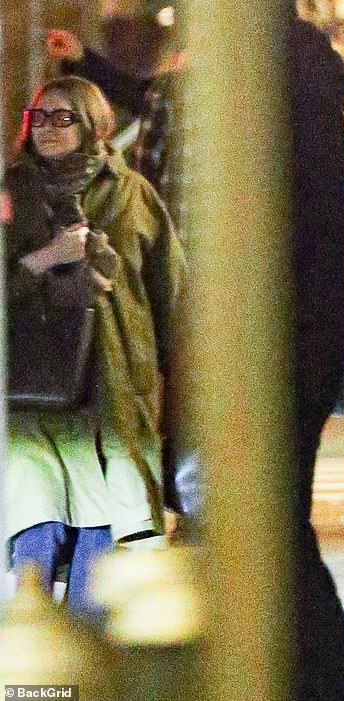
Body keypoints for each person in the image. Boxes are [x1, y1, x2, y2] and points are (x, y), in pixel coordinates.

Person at [3, 75, 185, 618]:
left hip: (114, 394)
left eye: (66, 117)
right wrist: (46, 258)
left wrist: (178, 392)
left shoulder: (132, 195)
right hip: (28, 400)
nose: (50, 127)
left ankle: (83, 679)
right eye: (41, 115)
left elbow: (172, 297)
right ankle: (35, 680)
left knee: (102, 554)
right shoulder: (10, 195)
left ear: (95, 126)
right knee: (35, 533)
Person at [289, 15, 344, 701]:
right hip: (308, 333)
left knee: (276, 524)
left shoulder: (294, 63)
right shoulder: (308, 64)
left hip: (293, 337)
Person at [46, 16, 183, 233]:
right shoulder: (169, 92)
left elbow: (147, 170)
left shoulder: (171, 91)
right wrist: (81, 59)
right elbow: (134, 93)